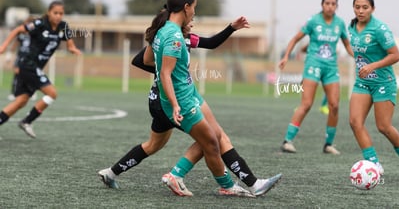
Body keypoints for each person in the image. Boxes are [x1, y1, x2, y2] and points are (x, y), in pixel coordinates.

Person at [98, 18, 281, 197]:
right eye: (190, 18)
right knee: (212, 136)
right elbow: (140, 60)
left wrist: (231, 28)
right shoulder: (172, 38)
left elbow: (210, 43)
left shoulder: (186, 38)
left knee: (153, 145)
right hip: (170, 102)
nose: (192, 22)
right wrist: (166, 73)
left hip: (158, 102)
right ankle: (182, 176)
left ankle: (111, 173)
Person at [348, 0, 399, 179]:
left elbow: (396, 55)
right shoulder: (351, 27)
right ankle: (374, 164)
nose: (360, 11)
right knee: (354, 121)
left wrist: (372, 66)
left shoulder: (380, 29)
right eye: (357, 7)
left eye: (365, 7)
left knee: (383, 126)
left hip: (383, 83)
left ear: (373, 9)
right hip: (363, 83)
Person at [278, 0, 353, 154]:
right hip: (313, 65)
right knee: (306, 104)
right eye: (327, 3)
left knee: (334, 105)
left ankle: (328, 144)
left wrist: (360, 57)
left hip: (331, 68)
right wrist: (286, 56)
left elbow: (348, 46)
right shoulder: (313, 21)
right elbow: (295, 39)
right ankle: (287, 141)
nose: (330, 6)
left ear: (337, 6)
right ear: (322, 5)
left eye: (333, 4)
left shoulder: (340, 23)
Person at [0, 1, 82, 138]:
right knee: (52, 93)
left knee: (21, 101)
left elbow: (70, 43)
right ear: (49, 12)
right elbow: (18, 30)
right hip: (28, 65)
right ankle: (27, 121)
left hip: (34, 68)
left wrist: (73, 49)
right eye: (55, 13)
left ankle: (19, 121)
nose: (58, 16)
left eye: (61, 13)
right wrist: (4, 46)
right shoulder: (40, 24)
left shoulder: (64, 26)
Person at [7, 17, 37, 102]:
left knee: (31, 74)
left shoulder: (35, 35)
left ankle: (31, 92)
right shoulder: (21, 34)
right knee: (17, 74)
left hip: (30, 58)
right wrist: (9, 55)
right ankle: (14, 92)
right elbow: (15, 44)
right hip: (20, 57)